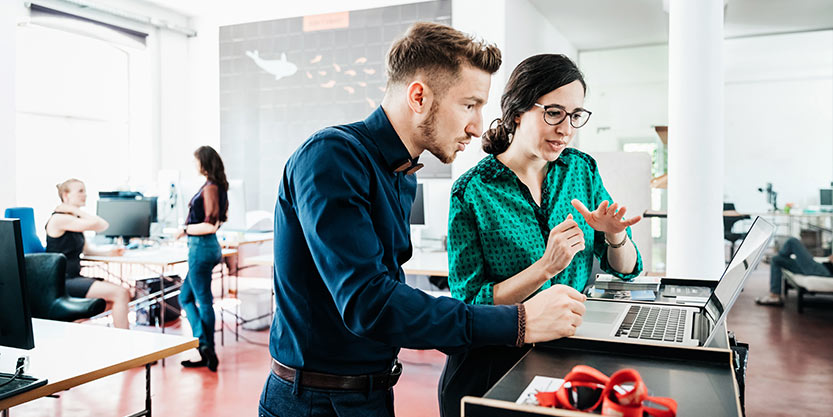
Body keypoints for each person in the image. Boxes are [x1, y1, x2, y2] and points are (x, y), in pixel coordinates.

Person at [260, 22, 588, 417]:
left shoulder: (400, 174)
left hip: (371, 391)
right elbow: (370, 303)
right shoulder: (331, 157)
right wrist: (518, 322)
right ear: (419, 96)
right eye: (469, 105)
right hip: (315, 401)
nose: (478, 126)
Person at [438, 53, 644, 417]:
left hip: (566, 357)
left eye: (576, 115)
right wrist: (545, 268)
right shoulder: (473, 191)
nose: (566, 128)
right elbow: (469, 303)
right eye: (554, 113)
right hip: (493, 367)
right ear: (518, 111)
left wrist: (614, 236)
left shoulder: (581, 170)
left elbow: (627, 269)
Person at [45, 178, 131, 329]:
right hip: (61, 280)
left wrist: (110, 253)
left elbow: (87, 250)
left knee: (111, 302)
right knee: (121, 294)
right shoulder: (59, 218)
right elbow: (102, 225)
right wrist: (75, 210)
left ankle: (72, 324)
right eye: (80, 191)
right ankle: (126, 344)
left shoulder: (72, 220)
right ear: (66, 196)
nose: (85, 195)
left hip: (73, 277)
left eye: (84, 190)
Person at [177, 145, 228, 372]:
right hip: (208, 248)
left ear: (204, 162)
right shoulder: (216, 187)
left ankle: (206, 346)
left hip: (201, 248)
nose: (194, 164)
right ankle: (205, 348)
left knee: (203, 301)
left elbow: (209, 225)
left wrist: (184, 229)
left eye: (196, 160)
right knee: (185, 297)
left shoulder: (210, 188)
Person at [755, 237, 833, 306]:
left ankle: (780, 255)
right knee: (776, 260)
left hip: (822, 271)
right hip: (821, 267)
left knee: (792, 241)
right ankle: (775, 296)